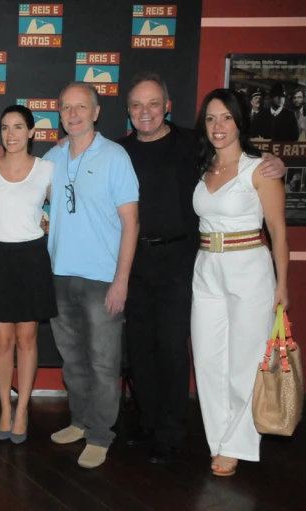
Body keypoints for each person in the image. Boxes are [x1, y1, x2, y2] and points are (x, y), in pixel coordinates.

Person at [118, 72, 287, 464]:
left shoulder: (188, 144)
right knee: (153, 350)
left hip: (184, 260)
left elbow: (247, 162)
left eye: (153, 103)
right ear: (127, 112)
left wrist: (272, 159)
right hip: (158, 261)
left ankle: (176, 435)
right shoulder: (121, 151)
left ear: (168, 106)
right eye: (137, 105)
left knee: (178, 349)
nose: (146, 112)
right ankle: (153, 424)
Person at [191, 88, 289, 477]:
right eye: (212, 118)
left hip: (249, 265)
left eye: (226, 118)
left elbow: (279, 233)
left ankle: (238, 444)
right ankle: (219, 438)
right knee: (209, 358)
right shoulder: (203, 168)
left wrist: (282, 287)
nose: (218, 126)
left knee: (246, 362)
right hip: (206, 267)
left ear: (240, 122)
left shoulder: (260, 170)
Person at [43, 82, 139, 469]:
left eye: (81, 107)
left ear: (96, 112)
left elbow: (131, 224)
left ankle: (101, 435)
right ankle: (81, 422)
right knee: (73, 361)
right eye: (66, 108)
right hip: (60, 276)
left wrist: (122, 281)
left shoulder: (115, 156)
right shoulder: (52, 157)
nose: (73, 114)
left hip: (103, 280)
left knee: (103, 363)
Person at [0, 105, 56, 444]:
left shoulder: (48, 168)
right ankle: (5, 408)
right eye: (5, 127)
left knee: (27, 340)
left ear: (32, 132)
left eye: (19, 127)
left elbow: (68, 212)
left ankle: (23, 410)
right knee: (2, 342)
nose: (11, 134)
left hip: (31, 258)